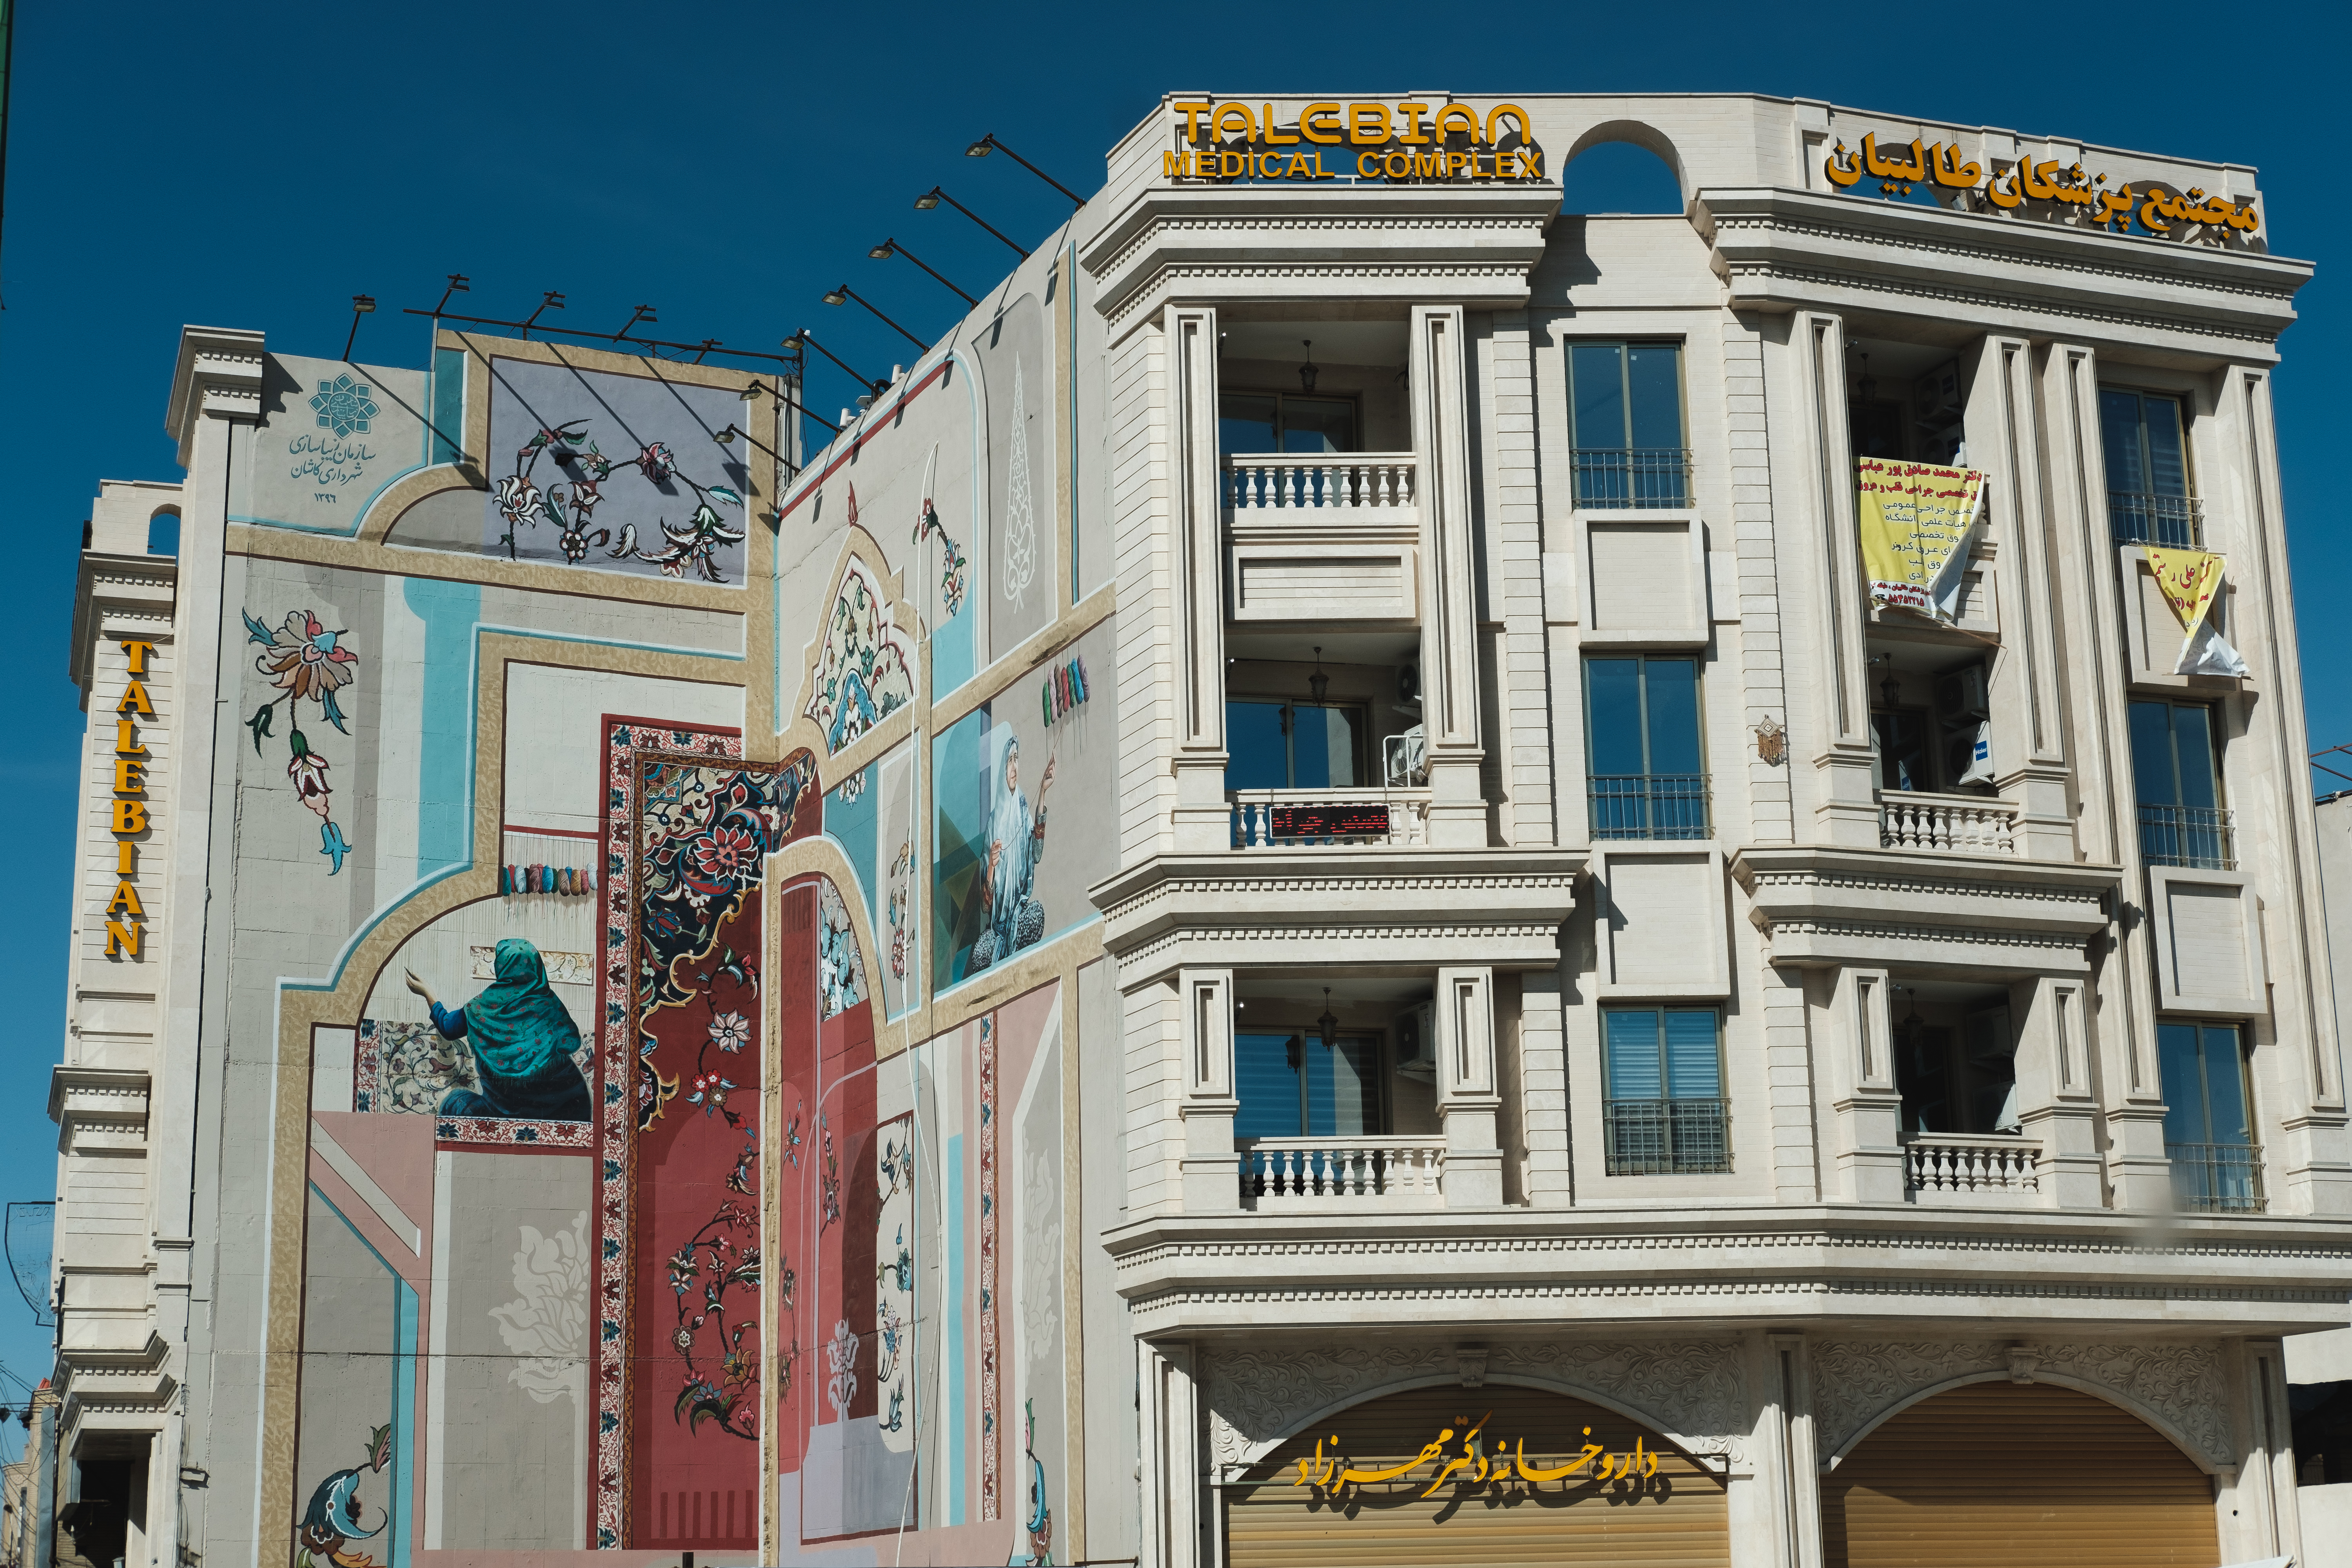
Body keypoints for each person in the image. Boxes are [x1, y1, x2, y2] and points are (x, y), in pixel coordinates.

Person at [403, 938, 592, 1121]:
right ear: (536, 966)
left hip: (507, 1112)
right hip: (571, 1109)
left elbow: (448, 1027)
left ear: (501, 967)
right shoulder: (549, 1005)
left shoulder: (481, 1007)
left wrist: (428, 993)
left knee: (455, 1103)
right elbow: (571, 1041)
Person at [980, 734, 1053, 966]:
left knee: (1036, 915)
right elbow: (985, 905)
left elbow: (1037, 853)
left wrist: (1042, 792)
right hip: (999, 928)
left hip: (1020, 916)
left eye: (1017, 759)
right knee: (982, 954)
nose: (1014, 767)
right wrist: (991, 867)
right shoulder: (993, 825)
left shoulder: (1023, 810)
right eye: (1010, 760)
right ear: (1003, 769)